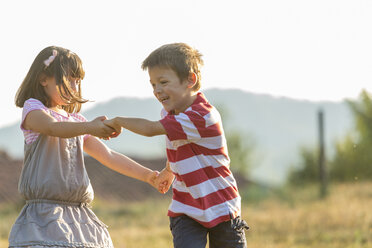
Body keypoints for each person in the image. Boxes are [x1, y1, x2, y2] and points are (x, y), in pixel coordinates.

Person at [8, 46, 159, 248]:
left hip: (80, 216)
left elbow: (109, 156)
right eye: (69, 78)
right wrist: (90, 126)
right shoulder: (34, 109)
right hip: (44, 215)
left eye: (78, 81)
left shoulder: (76, 121)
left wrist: (149, 176)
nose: (75, 86)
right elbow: (52, 128)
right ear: (44, 79)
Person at [104, 43, 249, 248]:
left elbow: (150, 129)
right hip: (186, 207)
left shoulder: (203, 116)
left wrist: (118, 121)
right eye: (153, 84)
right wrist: (169, 170)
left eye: (163, 82)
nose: (157, 90)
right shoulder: (170, 114)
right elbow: (178, 147)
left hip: (221, 205)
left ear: (190, 79)